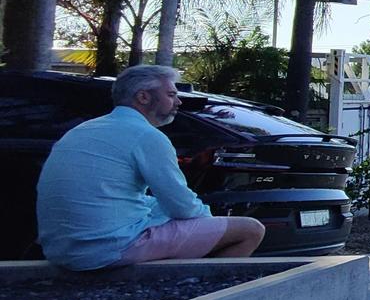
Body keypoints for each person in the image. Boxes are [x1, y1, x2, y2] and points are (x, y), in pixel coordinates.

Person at [36, 65, 264, 271]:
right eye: (171, 94)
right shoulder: (147, 136)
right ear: (143, 97)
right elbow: (182, 206)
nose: (179, 102)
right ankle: (204, 297)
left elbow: (119, 197)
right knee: (250, 230)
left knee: (164, 213)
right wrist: (209, 220)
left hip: (61, 250)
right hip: (107, 250)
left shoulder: (82, 130)